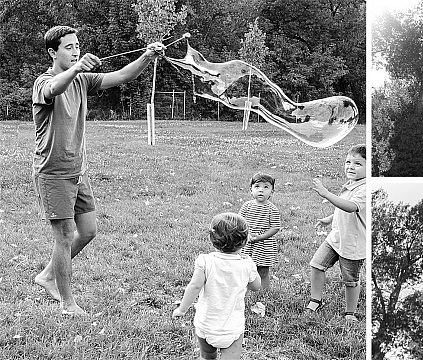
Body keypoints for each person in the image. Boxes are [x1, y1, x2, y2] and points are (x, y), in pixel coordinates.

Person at [31, 25, 165, 315]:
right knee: (65, 236)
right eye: (69, 47)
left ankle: (47, 275)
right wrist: (77, 68)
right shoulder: (44, 82)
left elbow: (121, 76)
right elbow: (55, 88)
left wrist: (146, 56)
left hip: (78, 170)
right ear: (53, 52)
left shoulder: (83, 80)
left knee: (88, 231)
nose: (76, 49)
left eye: (77, 45)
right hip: (53, 173)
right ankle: (68, 304)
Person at [172, 213, 262, 360]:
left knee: (207, 357)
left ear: (211, 239)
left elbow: (194, 286)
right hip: (231, 329)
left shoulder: (205, 261)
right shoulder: (246, 264)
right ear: (245, 241)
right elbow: (256, 286)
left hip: (205, 325)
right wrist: (251, 266)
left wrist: (182, 309)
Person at [305, 144, 366, 321]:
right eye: (348, 162)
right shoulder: (352, 184)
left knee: (351, 280)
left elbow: (351, 207)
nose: (350, 167)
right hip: (335, 238)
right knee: (317, 265)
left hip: (352, 245)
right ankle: (315, 300)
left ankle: (350, 313)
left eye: (358, 164)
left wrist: (326, 193)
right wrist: (330, 218)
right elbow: (342, 207)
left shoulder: (365, 188)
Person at [238, 173, 281, 291]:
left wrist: (261, 237)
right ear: (251, 190)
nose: (261, 190)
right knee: (246, 268)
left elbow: (275, 227)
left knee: (262, 271)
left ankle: (263, 292)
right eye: (257, 186)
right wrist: (247, 234)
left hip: (264, 245)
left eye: (266, 187)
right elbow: (239, 222)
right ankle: (246, 290)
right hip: (248, 242)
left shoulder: (272, 209)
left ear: (272, 192)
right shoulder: (247, 206)